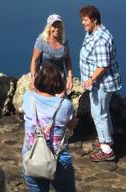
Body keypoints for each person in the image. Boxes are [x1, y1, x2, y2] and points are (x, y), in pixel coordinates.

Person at [21, 62, 77, 192]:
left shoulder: (28, 97)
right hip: (58, 160)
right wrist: (62, 97)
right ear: (59, 83)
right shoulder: (65, 105)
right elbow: (72, 125)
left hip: (32, 156)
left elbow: (32, 95)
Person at [78, 4, 122, 162]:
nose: (83, 23)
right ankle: (108, 139)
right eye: (82, 19)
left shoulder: (100, 39)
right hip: (102, 83)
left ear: (94, 20)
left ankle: (106, 149)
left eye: (85, 20)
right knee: (103, 112)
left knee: (98, 114)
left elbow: (102, 65)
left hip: (102, 84)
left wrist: (91, 79)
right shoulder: (93, 32)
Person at [30, 14, 75, 95]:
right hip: (43, 78)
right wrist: (33, 79)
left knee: (59, 103)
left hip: (60, 80)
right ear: (49, 27)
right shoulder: (41, 41)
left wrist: (70, 78)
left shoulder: (64, 41)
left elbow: (67, 60)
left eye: (59, 26)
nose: (57, 29)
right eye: (54, 26)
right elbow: (34, 60)